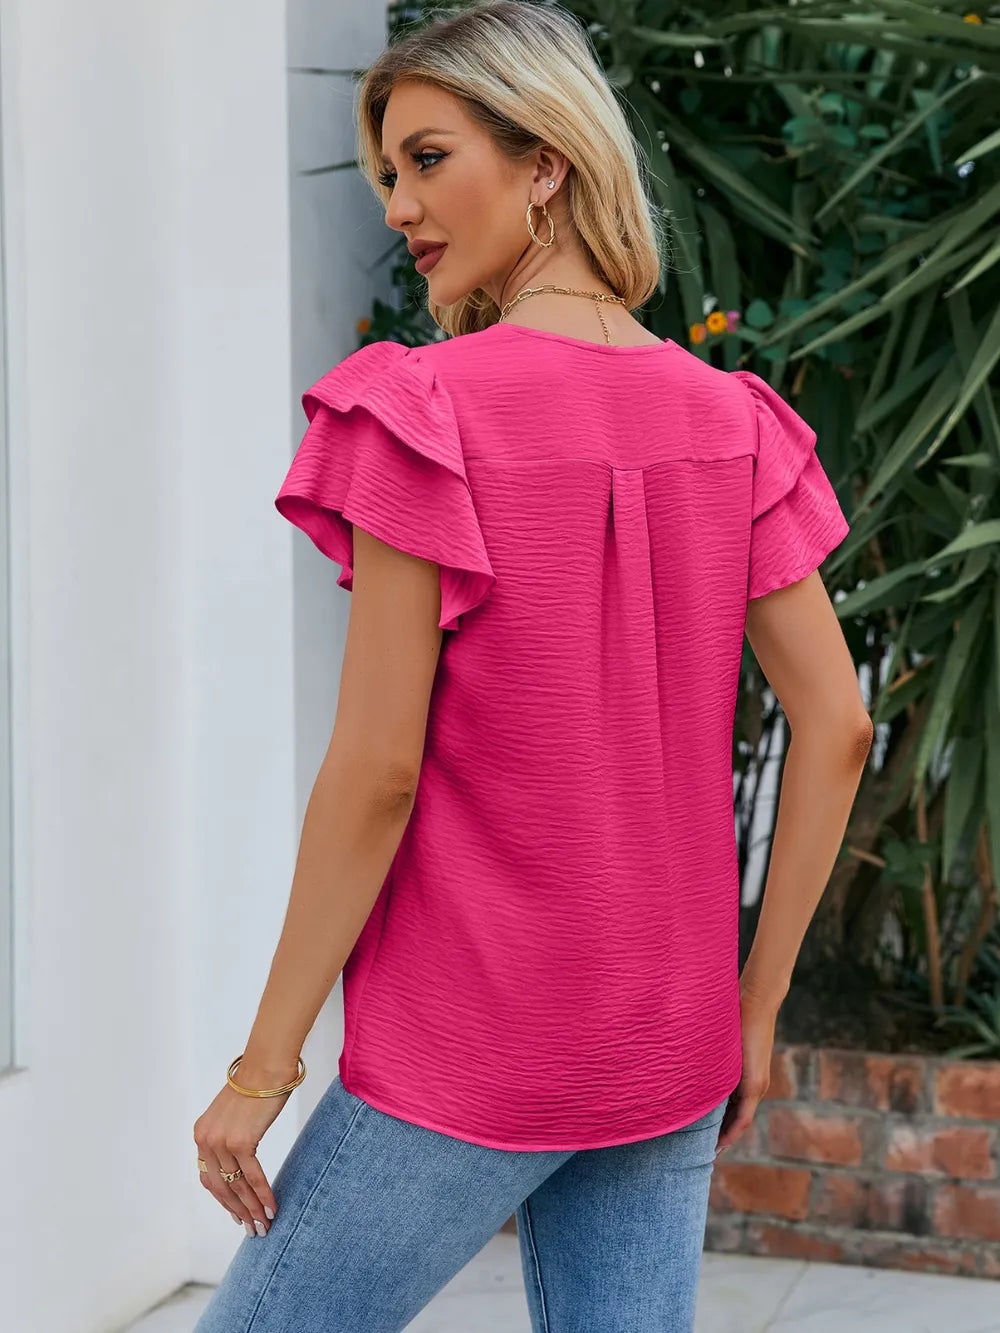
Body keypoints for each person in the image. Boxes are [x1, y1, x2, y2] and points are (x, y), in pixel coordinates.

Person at [191, 3, 873, 1330]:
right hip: (667, 1043)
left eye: (428, 159)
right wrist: (755, 1006)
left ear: (546, 159)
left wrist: (262, 1068)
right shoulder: (735, 423)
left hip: (472, 1048)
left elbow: (379, 771)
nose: (400, 206)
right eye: (388, 173)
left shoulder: (425, 411)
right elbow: (838, 723)